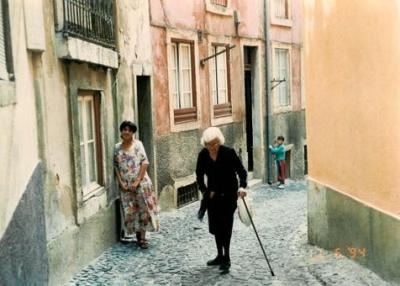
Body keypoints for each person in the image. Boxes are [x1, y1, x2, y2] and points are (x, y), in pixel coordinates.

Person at [196, 127, 247, 274]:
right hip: (212, 196)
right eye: (208, 144)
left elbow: (241, 171)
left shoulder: (228, 152)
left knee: (226, 226)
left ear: (220, 141)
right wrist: (205, 192)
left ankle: (227, 257)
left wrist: (242, 187)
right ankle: (219, 255)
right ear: (204, 144)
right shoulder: (203, 155)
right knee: (216, 227)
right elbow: (199, 176)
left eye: (215, 144)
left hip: (229, 194)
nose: (212, 147)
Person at [114, 121, 159, 249]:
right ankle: (137, 234)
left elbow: (145, 163)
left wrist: (137, 181)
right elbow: (116, 166)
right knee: (131, 210)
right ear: (121, 131)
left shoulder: (138, 145)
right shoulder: (117, 147)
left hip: (141, 183)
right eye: (124, 129)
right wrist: (121, 182)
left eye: (129, 130)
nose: (126, 132)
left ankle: (143, 237)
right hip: (126, 186)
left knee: (143, 209)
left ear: (133, 132)